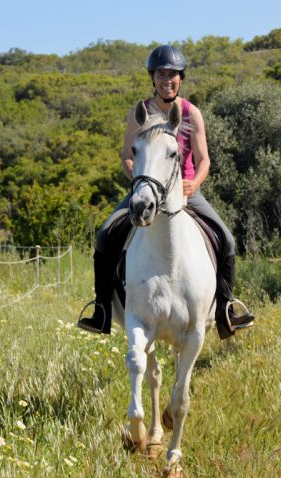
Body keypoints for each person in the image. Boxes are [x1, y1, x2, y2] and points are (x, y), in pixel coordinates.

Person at [77, 44, 254, 339]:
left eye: (172, 74)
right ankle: (102, 310)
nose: (167, 79)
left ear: (180, 78)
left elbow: (204, 159)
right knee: (105, 235)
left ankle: (226, 309)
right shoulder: (140, 113)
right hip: (146, 189)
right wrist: (139, 177)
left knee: (227, 239)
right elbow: (127, 156)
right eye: (161, 74)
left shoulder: (190, 113)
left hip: (184, 191)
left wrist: (195, 183)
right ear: (153, 78)